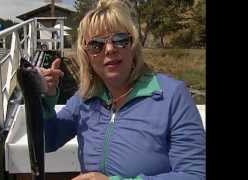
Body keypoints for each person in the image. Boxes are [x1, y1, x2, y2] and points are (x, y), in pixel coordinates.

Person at [38, 0, 206, 179]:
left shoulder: (172, 96)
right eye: (96, 45)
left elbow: (195, 174)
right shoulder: (85, 98)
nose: (110, 49)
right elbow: (46, 141)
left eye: (120, 40)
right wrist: (45, 99)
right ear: (86, 55)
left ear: (133, 45)